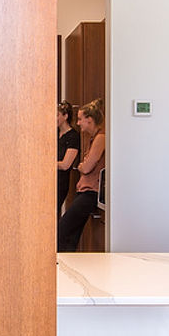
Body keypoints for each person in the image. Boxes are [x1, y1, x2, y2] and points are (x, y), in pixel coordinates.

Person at [57, 100, 105, 252]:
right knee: (72, 235)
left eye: (80, 119)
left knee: (63, 229)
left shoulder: (101, 138)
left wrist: (82, 166)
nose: (78, 123)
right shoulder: (94, 138)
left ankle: (58, 264)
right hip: (84, 190)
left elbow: (86, 166)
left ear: (89, 120)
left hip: (90, 192)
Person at [57, 101, 81, 215]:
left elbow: (65, 164)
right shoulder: (53, 133)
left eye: (57, 115)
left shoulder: (73, 137)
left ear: (65, 116)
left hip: (60, 182)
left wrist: (45, 163)